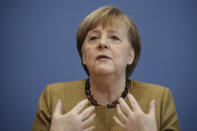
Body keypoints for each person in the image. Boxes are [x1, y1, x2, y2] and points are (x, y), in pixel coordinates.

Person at [32, 6, 180, 131]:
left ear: (130, 56)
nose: (102, 43)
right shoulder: (53, 96)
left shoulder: (159, 98)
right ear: (83, 56)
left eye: (114, 37)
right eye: (93, 38)